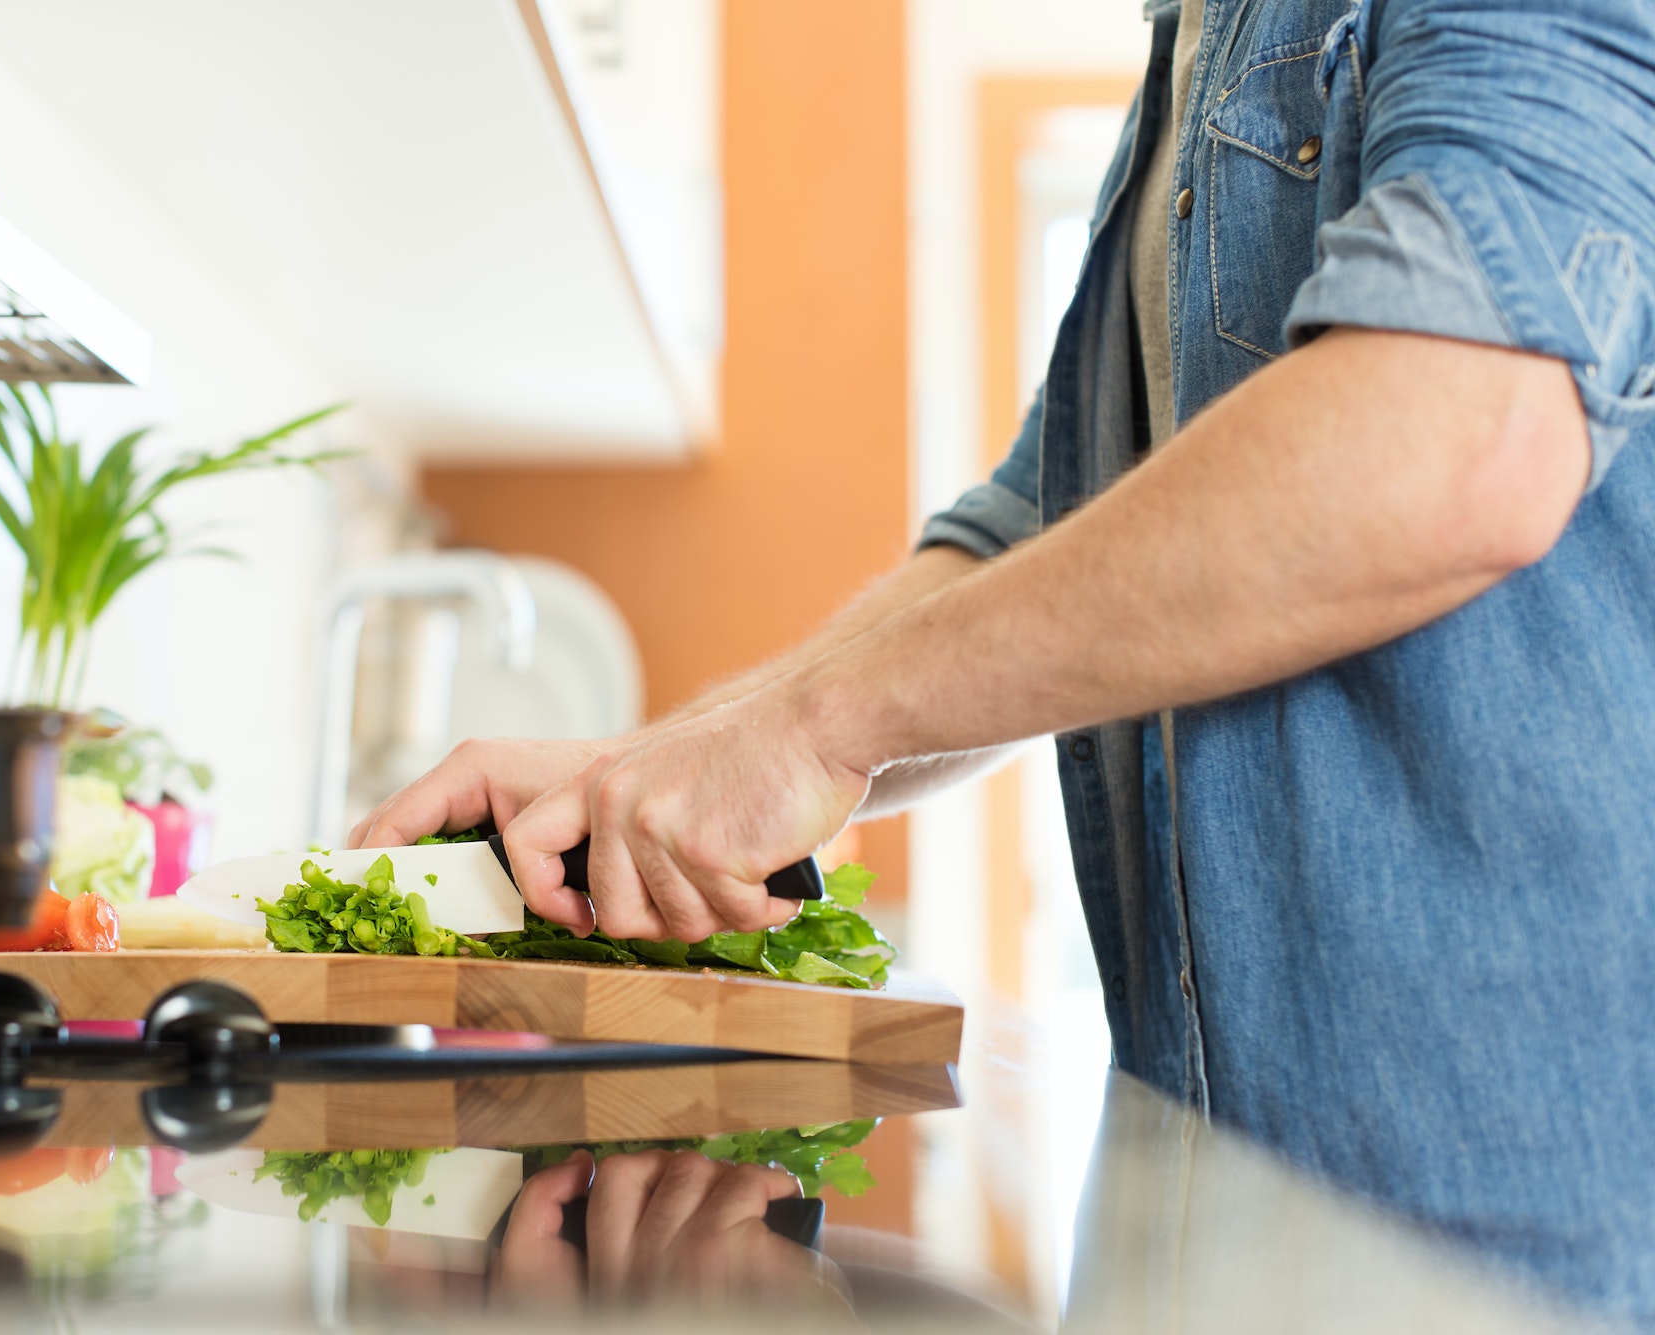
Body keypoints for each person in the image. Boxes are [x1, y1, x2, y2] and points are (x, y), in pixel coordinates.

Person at [354, 0, 1655, 1319]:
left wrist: (810, 729)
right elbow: (1039, 526)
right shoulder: (1194, 48)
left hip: (1525, 1243)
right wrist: (667, 761)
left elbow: (1464, 427)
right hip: (1237, 1219)